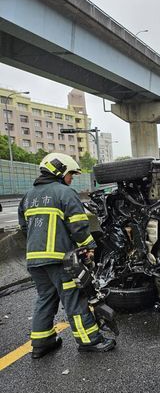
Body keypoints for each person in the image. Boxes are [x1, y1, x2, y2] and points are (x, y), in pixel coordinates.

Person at [18, 153, 116, 358]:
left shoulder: (27, 197)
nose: (72, 178)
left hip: (35, 261)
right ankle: (89, 341)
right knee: (75, 299)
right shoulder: (64, 193)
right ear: (59, 171)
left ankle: (42, 343)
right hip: (60, 260)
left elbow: (25, 228)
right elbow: (79, 226)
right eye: (70, 173)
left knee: (45, 298)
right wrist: (88, 246)